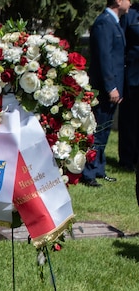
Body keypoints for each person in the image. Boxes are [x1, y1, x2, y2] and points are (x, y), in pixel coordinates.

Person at [82, 0, 131, 187]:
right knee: (99, 128)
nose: (131, 2)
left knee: (105, 128)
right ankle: (89, 171)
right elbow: (104, 57)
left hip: (114, 87)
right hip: (105, 88)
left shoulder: (114, 22)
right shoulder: (104, 22)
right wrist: (111, 86)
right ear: (118, 1)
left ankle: (99, 167)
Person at [119, 3, 139, 169]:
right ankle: (127, 158)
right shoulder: (130, 15)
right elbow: (121, 46)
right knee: (129, 120)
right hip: (132, 76)